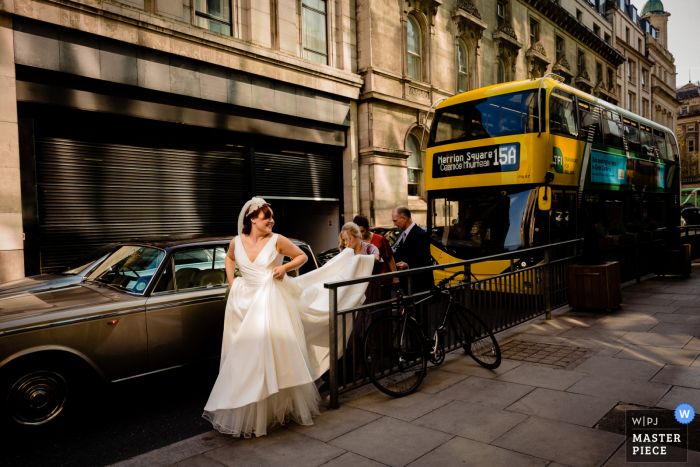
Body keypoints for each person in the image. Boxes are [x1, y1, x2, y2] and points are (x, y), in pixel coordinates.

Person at [203, 197, 374, 438]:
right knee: (244, 356)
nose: (272, 220)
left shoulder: (277, 240)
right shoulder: (236, 242)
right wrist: (233, 284)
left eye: (272, 217)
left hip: (270, 302)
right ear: (252, 219)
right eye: (267, 217)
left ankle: (272, 412)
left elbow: (301, 257)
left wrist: (284, 268)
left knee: (268, 356)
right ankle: (248, 408)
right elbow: (229, 258)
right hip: (243, 302)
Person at [353, 215, 399, 298]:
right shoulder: (355, 241)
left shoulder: (380, 239)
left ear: (368, 227)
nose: (361, 235)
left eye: (362, 231)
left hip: (381, 277)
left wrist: (395, 276)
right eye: (358, 232)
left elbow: (390, 258)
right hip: (364, 280)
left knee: (382, 303)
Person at [392, 206, 434, 294]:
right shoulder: (405, 233)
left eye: (395, 221)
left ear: (404, 218)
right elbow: (400, 253)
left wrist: (407, 266)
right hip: (410, 285)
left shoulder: (420, 235)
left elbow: (424, 261)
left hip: (419, 286)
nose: (394, 224)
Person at [339, 222, 382, 303]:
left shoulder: (369, 247)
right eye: (344, 240)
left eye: (348, 239)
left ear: (357, 237)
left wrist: (359, 258)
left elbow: (376, 257)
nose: (345, 243)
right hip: (353, 290)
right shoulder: (347, 252)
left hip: (370, 290)